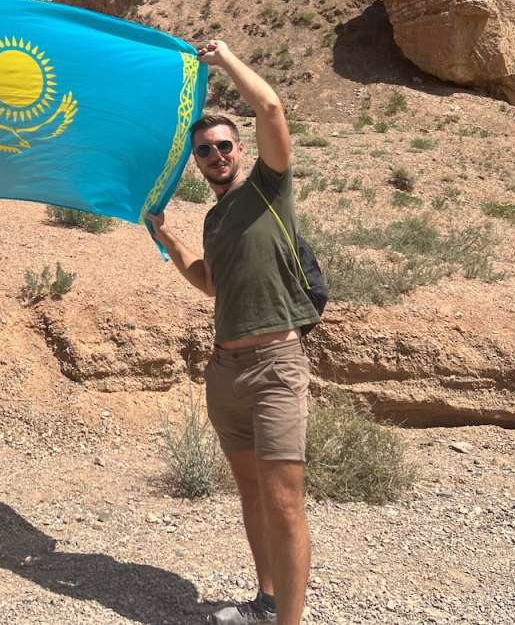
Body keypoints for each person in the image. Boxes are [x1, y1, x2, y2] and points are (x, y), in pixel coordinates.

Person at [147, 40, 318, 625]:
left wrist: (224, 60)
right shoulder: (216, 217)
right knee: (250, 491)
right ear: (196, 161)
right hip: (226, 371)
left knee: (284, 503)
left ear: (240, 149)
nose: (215, 155)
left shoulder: (269, 188)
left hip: (275, 364)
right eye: (205, 151)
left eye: (223, 145)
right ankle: (267, 603)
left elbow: (270, 108)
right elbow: (211, 284)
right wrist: (168, 237)